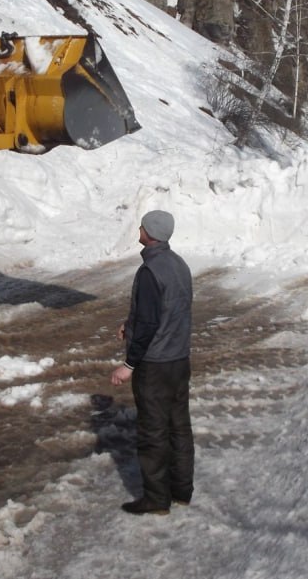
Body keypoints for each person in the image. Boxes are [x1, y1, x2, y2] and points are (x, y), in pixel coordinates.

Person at [110, 209, 194, 515]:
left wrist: (128, 365)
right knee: (179, 426)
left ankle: (157, 499)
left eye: (143, 226)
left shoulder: (149, 271)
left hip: (155, 365)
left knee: (153, 432)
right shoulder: (179, 264)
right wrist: (129, 324)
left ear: (150, 233)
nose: (139, 230)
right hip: (179, 359)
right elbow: (168, 310)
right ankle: (182, 491)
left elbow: (149, 322)